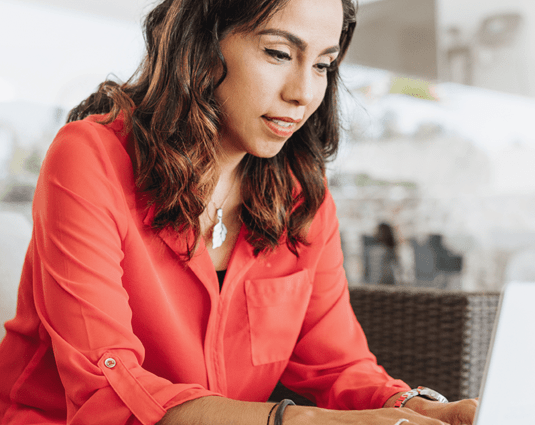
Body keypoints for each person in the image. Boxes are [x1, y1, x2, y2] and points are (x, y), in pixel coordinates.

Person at [0, 0, 477, 424]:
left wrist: (419, 409)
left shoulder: (301, 196)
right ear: (202, 44)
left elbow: (338, 367)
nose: (303, 92)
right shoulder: (90, 157)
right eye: (279, 53)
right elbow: (107, 387)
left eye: (322, 65)